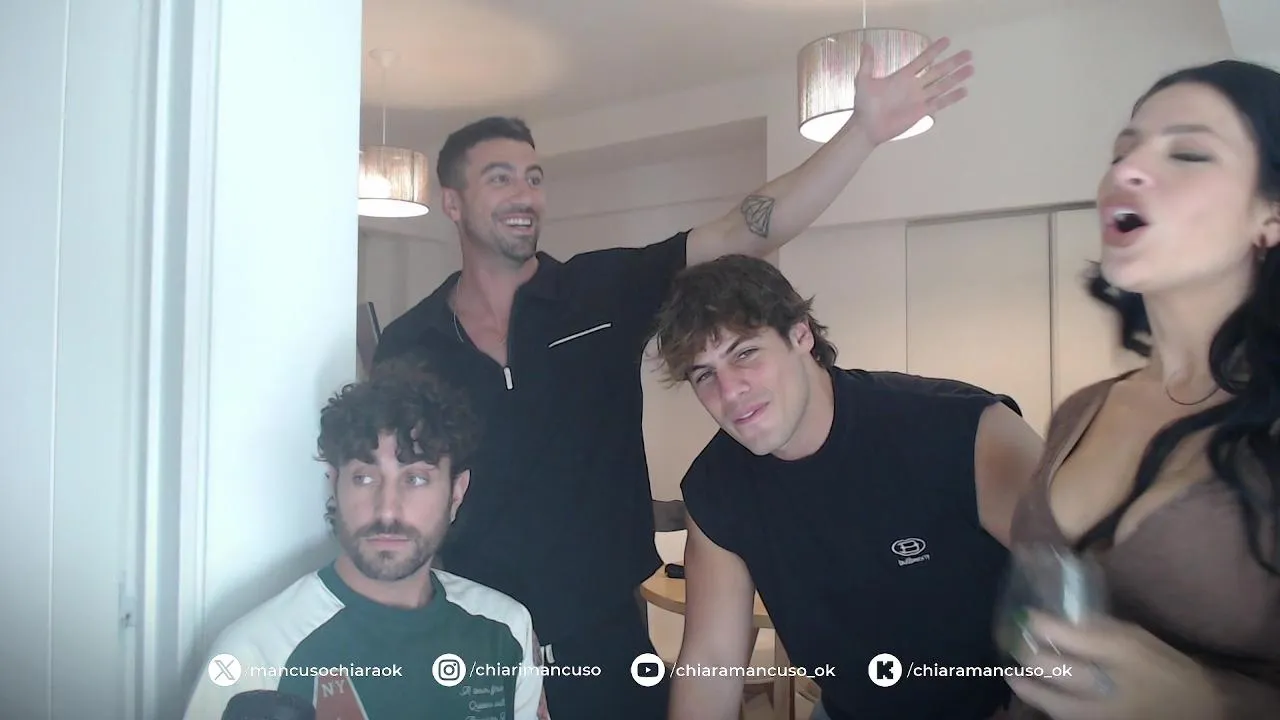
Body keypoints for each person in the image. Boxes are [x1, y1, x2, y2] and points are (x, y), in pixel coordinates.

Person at [371, 37, 975, 720]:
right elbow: (397, 489)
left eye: (535, 177)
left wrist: (861, 132)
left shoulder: (600, 292)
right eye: (500, 178)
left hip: (605, 638)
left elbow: (745, 230)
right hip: (469, 634)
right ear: (452, 203)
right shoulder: (410, 342)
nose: (525, 195)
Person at [647, 254, 1046, 720]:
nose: (730, 391)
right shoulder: (716, 487)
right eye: (705, 375)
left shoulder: (964, 430)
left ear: (800, 334)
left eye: (745, 353)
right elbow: (712, 661)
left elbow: (1087, 590)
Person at [1002, 59, 1280, 720]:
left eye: (1189, 153)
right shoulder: (1082, 411)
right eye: (1121, 151)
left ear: (1269, 217)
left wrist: (1208, 702)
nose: (1125, 170)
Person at [182, 360, 548, 720]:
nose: (387, 509)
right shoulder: (253, 655)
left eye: (415, 479)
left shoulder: (506, 630)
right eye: (364, 478)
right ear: (335, 484)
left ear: (456, 492)